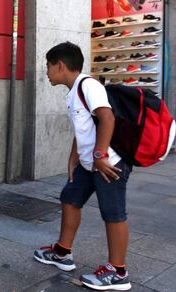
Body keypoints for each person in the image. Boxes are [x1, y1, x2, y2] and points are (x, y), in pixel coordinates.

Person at [33, 42, 132, 291]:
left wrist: (99, 155)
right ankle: (63, 253)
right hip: (89, 164)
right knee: (70, 198)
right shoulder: (74, 90)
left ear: (60, 65)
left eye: (48, 66)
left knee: (113, 213)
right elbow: (85, 126)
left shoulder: (88, 85)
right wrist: (73, 156)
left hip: (108, 164)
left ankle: (118, 273)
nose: (46, 72)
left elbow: (106, 118)